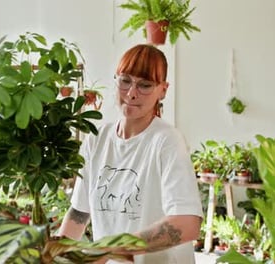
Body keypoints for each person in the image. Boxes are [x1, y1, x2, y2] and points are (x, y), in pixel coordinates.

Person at [57, 44, 203, 263]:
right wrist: (55, 254)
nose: (132, 93)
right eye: (125, 81)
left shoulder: (167, 141)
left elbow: (188, 223)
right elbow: (79, 213)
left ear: (163, 90)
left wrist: (115, 249)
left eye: (145, 85)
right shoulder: (97, 139)